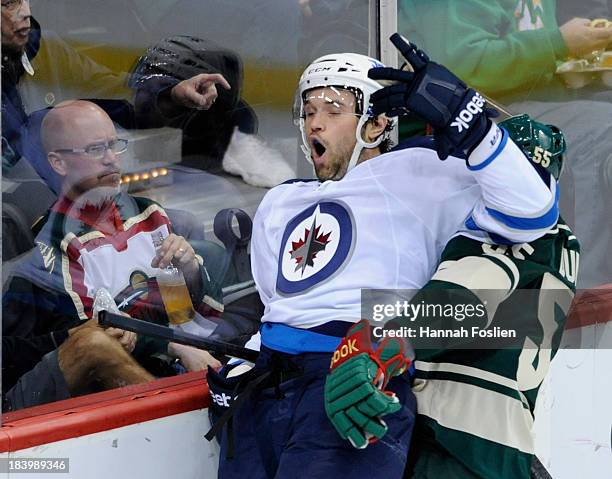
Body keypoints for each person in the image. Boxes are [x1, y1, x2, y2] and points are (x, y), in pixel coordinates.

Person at [207, 34, 560, 478]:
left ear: (376, 125)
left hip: (355, 375)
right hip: (265, 390)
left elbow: (532, 212)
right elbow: (277, 305)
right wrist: (245, 360)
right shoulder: (280, 202)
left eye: (334, 110)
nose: (315, 123)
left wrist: (473, 127)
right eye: (310, 110)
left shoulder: (420, 171)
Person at [2, 100, 223, 411]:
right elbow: (104, 343)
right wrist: (173, 346)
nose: (111, 161)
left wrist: (189, 273)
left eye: (114, 145)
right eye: (95, 150)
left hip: (174, 372)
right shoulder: (50, 249)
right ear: (58, 163)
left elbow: (180, 313)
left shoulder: (150, 215)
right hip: (113, 406)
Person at [398, 0, 612, 288]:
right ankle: (584, 286)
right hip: (472, 118)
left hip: (529, 101)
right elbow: (462, 67)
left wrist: (567, 58)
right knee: (601, 130)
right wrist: (559, 44)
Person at [1, 0, 230, 171]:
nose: (26, 12)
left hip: (83, 197)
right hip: (26, 214)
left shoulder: (45, 49)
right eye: (8, 3)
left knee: (189, 223)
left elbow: (110, 89)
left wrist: (171, 93)